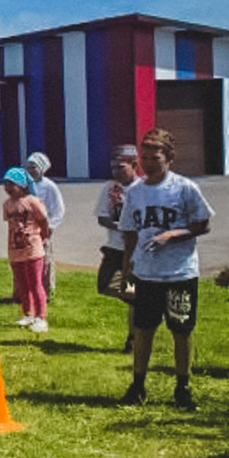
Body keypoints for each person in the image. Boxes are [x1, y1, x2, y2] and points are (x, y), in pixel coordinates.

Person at [117, 128, 214, 411]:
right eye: (144, 158)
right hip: (146, 273)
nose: (149, 164)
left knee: (181, 329)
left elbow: (203, 224)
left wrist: (173, 235)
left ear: (169, 158)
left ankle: (183, 387)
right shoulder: (135, 192)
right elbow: (129, 233)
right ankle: (137, 385)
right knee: (143, 328)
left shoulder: (184, 188)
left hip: (179, 273)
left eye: (155, 158)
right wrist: (127, 268)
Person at [94, 145, 143, 353]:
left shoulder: (143, 188)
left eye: (121, 167)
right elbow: (102, 216)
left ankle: (134, 338)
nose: (116, 172)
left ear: (134, 165)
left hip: (135, 250)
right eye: (113, 167)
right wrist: (119, 226)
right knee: (104, 284)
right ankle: (144, 300)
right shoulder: (110, 188)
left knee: (131, 292)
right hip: (114, 247)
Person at [2, 167, 50, 333]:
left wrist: (43, 237)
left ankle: (41, 317)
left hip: (33, 249)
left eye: (11, 184)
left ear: (22, 185)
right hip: (16, 250)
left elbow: (43, 220)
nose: (8, 188)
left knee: (35, 284)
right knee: (22, 284)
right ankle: (28, 313)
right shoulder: (7, 205)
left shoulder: (32, 202)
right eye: (6, 184)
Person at [25, 152, 65, 299]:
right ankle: (28, 289)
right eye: (28, 167)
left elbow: (58, 209)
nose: (30, 170)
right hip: (27, 228)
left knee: (44, 259)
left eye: (34, 167)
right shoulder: (25, 185)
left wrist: (51, 226)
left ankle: (46, 290)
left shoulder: (49, 186)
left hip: (43, 227)